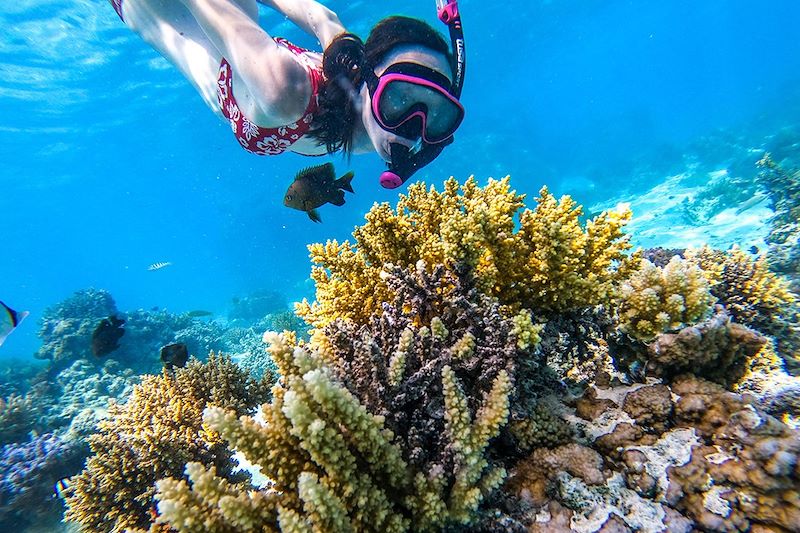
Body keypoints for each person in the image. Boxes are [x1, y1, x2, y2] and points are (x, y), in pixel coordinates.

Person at [108, 0, 466, 188]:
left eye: (436, 115)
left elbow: (322, 15)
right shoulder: (284, 90)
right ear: (366, 78)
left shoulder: (369, 123)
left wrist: (332, 33)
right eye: (399, 97)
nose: (410, 127)